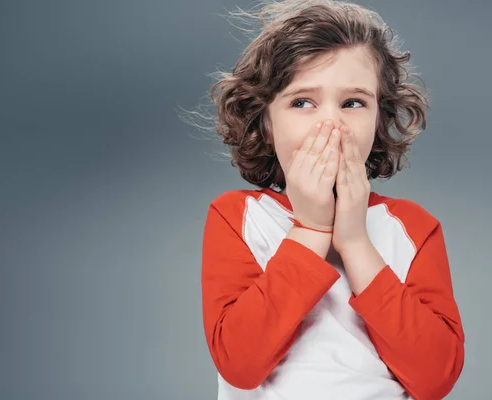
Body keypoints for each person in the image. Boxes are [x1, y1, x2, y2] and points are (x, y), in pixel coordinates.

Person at [194, 1, 465, 399]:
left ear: (379, 118)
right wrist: (311, 229)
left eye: (353, 103)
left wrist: (355, 242)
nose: (331, 124)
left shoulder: (413, 228)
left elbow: (435, 378)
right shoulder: (237, 217)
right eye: (302, 102)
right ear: (265, 123)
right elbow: (240, 364)